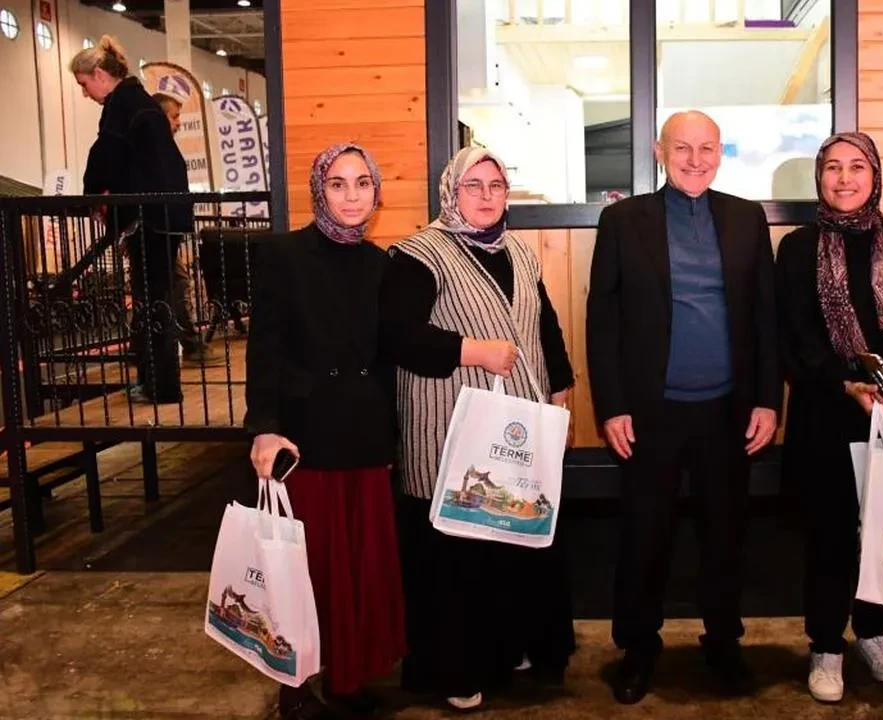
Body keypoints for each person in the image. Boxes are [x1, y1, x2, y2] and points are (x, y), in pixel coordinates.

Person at [586, 110, 781, 704]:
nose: (695, 160)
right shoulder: (623, 220)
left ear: (721, 152)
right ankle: (638, 649)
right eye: (682, 148)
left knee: (726, 534)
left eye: (707, 148)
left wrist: (768, 400)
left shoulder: (747, 218)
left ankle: (723, 643)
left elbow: (765, 318)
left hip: (728, 410)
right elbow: (603, 321)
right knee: (645, 536)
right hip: (650, 412)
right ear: (659, 151)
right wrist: (612, 406)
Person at [381, 147, 576, 711]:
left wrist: (560, 393)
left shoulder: (518, 252)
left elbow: (544, 325)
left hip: (516, 428)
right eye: (474, 185)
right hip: (448, 427)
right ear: (451, 192)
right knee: (457, 554)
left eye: (496, 185)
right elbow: (397, 335)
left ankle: (509, 648)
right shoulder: (419, 254)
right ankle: (456, 669)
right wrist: (472, 350)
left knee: (512, 539)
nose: (487, 196)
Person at [775, 132, 883, 703]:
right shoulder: (797, 248)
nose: (845, 178)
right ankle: (826, 644)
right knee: (828, 537)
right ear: (819, 178)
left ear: (875, 175)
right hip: (828, 414)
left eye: (857, 167)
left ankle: (873, 632)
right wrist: (845, 383)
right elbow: (795, 339)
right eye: (833, 168)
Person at [244, 143, 406, 719]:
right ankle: (293, 685)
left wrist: (391, 437)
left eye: (363, 183)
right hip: (304, 441)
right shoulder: (283, 255)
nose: (352, 195)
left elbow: (388, 359)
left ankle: (348, 678)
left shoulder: (382, 264)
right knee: (305, 571)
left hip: (363, 436)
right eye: (338, 183)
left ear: (376, 192)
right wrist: (264, 427)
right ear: (319, 190)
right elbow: (264, 348)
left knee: (358, 569)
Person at [69, 35, 191, 404]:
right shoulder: (139, 102)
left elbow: (106, 156)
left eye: (84, 84)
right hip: (165, 214)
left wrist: (93, 198)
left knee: (151, 301)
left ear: (100, 74)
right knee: (158, 299)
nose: (85, 93)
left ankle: (161, 387)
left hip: (149, 217)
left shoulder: (122, 105)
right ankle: (158, 383)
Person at [153, 89, 225, 367]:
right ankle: (191, 345)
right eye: (174, 116)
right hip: (158, 229)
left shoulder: (162, 149)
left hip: (164, 228)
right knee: (175, 284)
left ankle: (159, 347)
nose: (178, 122)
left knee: (167, 286)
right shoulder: (156, 151)